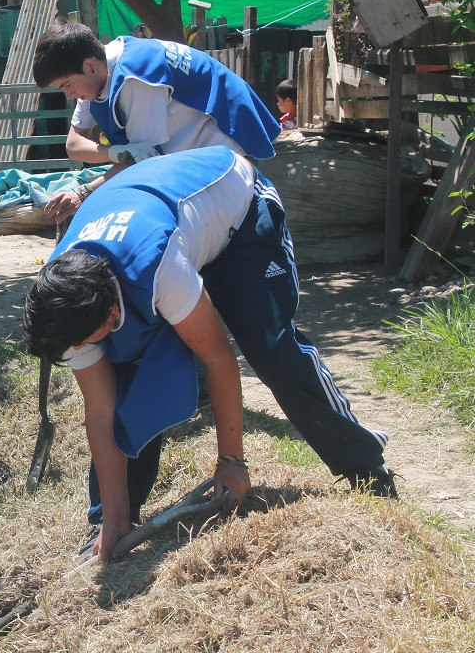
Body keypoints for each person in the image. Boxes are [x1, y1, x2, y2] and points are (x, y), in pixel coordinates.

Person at [23, 147, 395, 564]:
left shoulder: (158, 267)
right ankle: (112, 520)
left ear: (112, 311)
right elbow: (101, 410)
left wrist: (231, 462)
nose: (81, 350)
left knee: (269, 346)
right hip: (160, 215)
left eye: (85, 341)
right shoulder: (63, 293)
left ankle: (366, 467)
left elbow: (219, 358)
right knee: (125, 369)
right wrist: (114, 515)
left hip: (237, 207)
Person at [32, 20, 282, 223]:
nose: (68, 95)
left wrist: (83, 193)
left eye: (67, 85)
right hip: (185, 150)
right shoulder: (96, 71)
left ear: (89, 66)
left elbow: (144, 160)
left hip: (224, 142)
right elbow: (74, 146)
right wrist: (118, 153)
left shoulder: (135, 79)